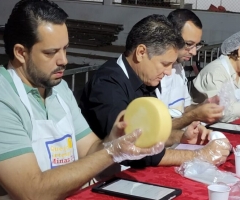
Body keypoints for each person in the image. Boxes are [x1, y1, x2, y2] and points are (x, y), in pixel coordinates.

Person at [0, 0, 168, 198]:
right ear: (21, 53)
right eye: (51, 52)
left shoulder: (58, 89)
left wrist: (114, 140)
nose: (64, 60)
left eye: (65, 49)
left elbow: (89, 150)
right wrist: (111, 152)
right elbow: (32, 191)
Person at [79, 14, 231, 168]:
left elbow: (149, 134)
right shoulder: (107, 84)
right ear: (141, 52)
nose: (169, 72)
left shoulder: (147, 79)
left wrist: (182, 137)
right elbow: (133, 148)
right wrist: (199, 155)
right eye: (165, 64)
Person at [155, 9, 224, 130]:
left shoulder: (178, 68)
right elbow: (156, 128)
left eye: (197, 45)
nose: (193, 52)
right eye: (189, 44)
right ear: (171, 37)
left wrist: (204, 106)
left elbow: (184, 108)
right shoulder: (153, 73)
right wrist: (194, 115)